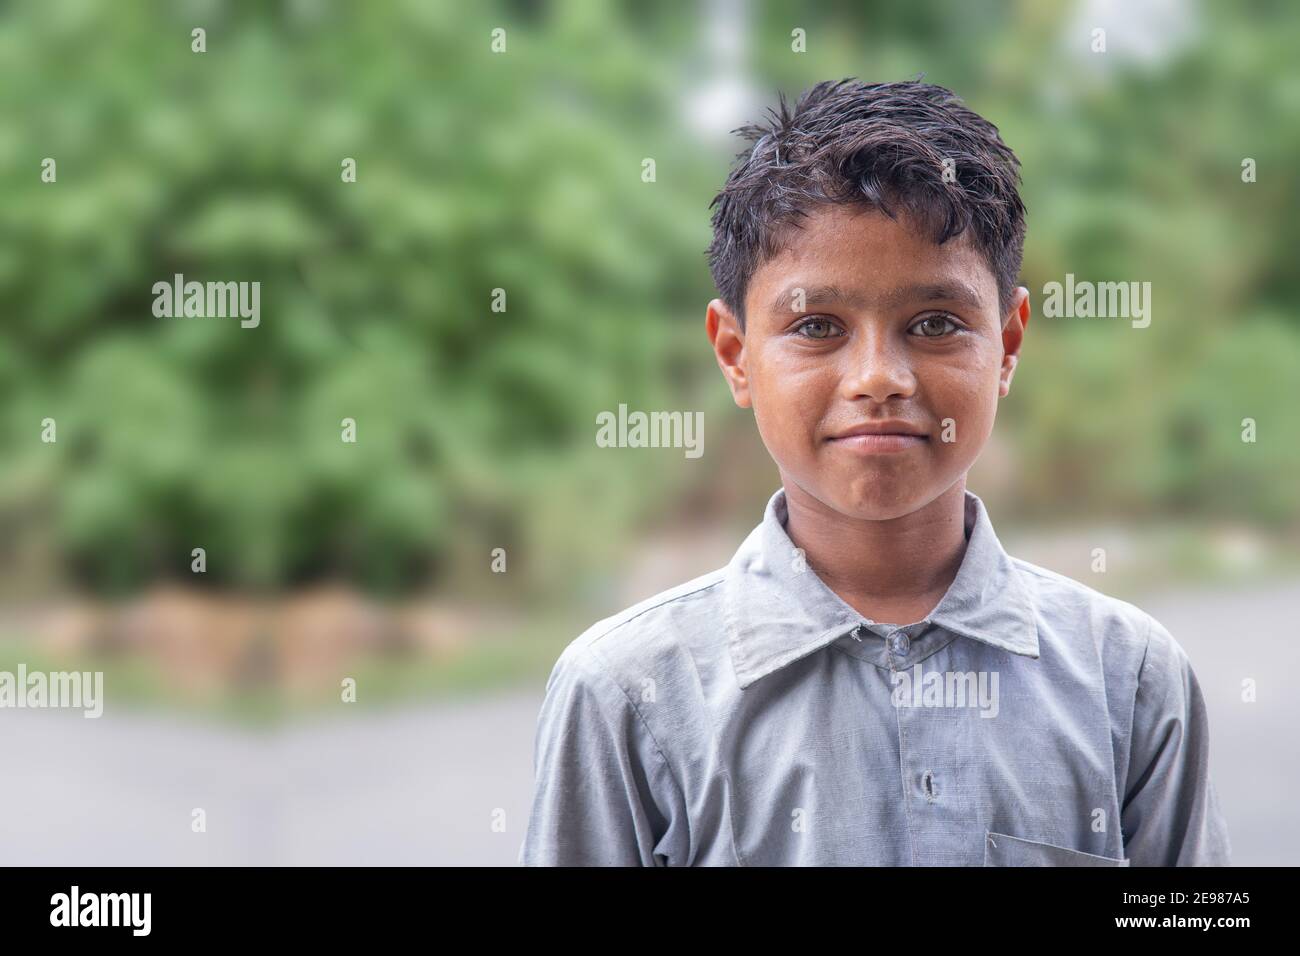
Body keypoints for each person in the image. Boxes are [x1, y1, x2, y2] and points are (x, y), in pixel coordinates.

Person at [519, 78, 1231, 866]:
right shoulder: (629, 694)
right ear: (735, 355)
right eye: (817, 326)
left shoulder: (1127, 679)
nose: (877, 377)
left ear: (1009, 344)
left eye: (935, 324)